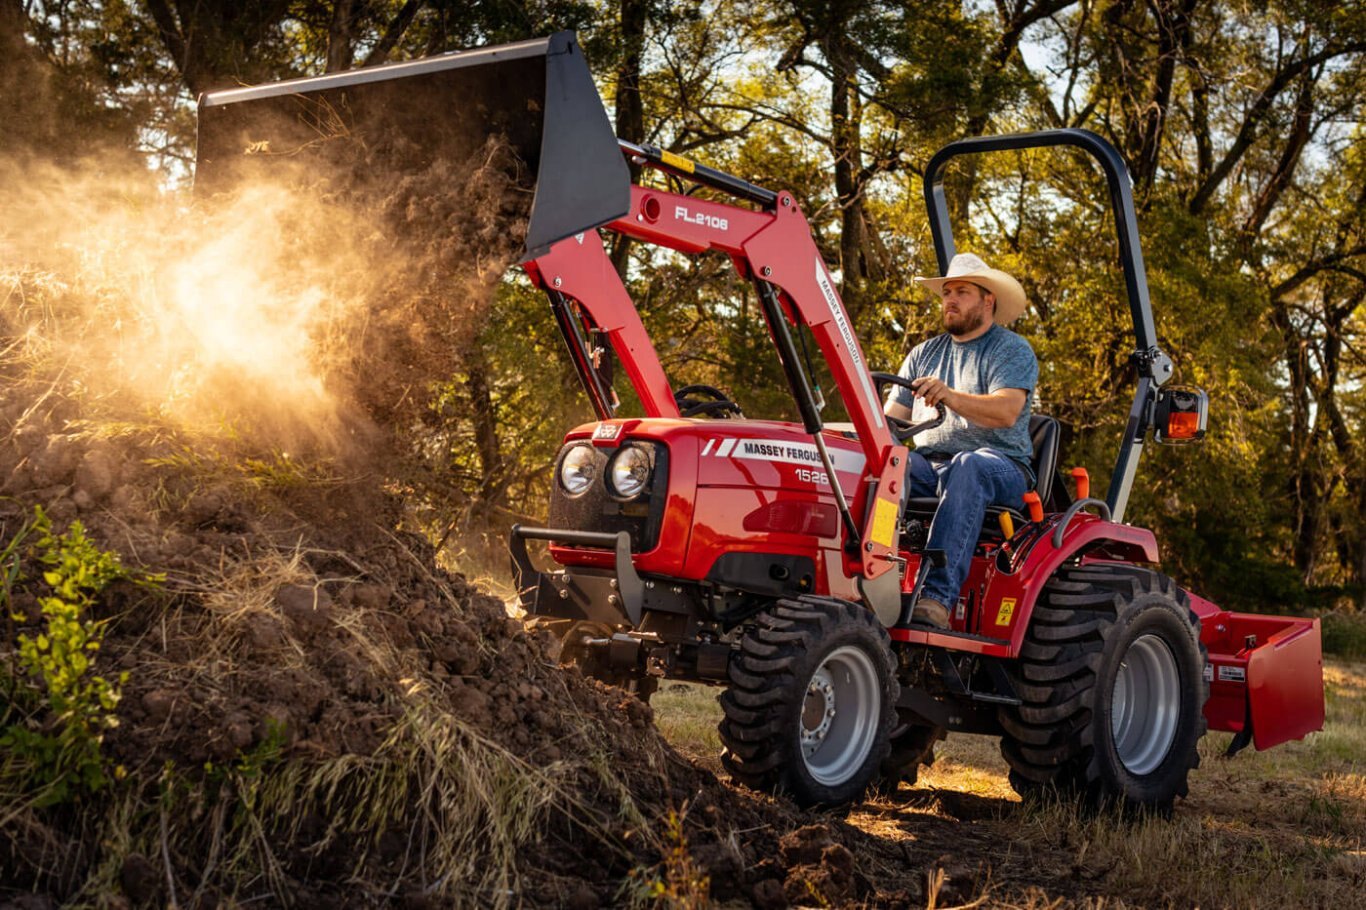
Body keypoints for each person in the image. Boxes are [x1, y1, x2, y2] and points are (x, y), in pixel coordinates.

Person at [885, 253, 1038, 629]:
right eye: (946, 292)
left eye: (962, 292)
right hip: (933, 465)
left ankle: (936, 598)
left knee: (970, 466)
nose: (950, 300)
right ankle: (871, 576)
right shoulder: (924, 353)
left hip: (1001, 468)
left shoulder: (1011, 350)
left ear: (988, 300)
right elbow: (890, 421)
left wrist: (949, 396)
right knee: (885, 463)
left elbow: (1006, 411)